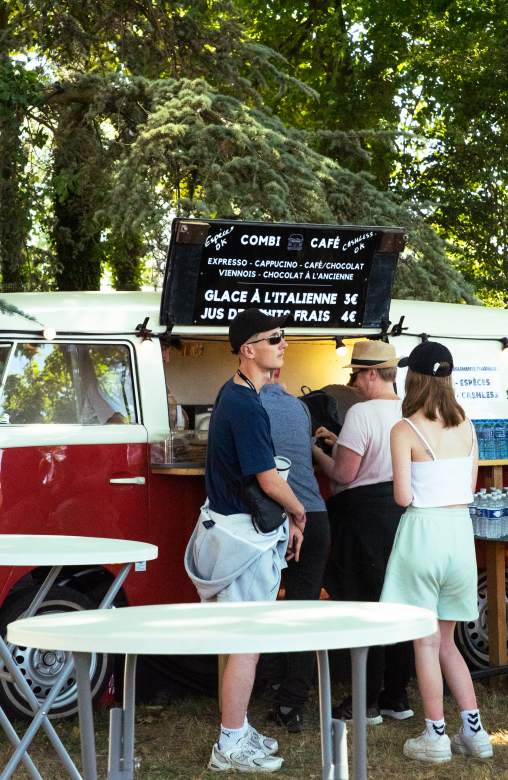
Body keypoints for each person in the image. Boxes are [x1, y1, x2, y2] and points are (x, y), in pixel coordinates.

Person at [183, 309, 307, 773]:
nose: (283, 343)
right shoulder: (244, 403)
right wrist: (298, 512)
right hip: (242, 539)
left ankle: (237, 729)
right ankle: (229, 744)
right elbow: (268, 478)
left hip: (232, 532)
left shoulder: (236, 395)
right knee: (246, 642)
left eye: (284, 336)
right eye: (274, 338)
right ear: (247, 349)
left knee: (244, 642)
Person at [380, 340, 491, 762]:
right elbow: (470, 487)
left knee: (425, 645)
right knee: (448, 643)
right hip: (460, 535)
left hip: (422, 533)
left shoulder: (404, 429)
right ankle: (474, 732)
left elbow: (403, 496)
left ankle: (436, 735)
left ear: (414, 379)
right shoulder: (467, 425)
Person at [312, 339, 414, 724]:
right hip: (402, 514)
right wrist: (340, 444)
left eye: (357, 374)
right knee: (399, 603)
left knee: (365, 607)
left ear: (373, 373)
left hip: (364, 518)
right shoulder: (411, 409)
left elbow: (344, 473)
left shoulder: (361, 412)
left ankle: (364, 702)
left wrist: (315, 452)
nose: (354, 382)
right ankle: (396, 696)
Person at [257, 369, 331, 733]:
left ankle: (269, 682)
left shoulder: (246, 404)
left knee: (261, 606)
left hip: (276, 517)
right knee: (303, 611)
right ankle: (292, 704)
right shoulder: (299, 408)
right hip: (316, 515)